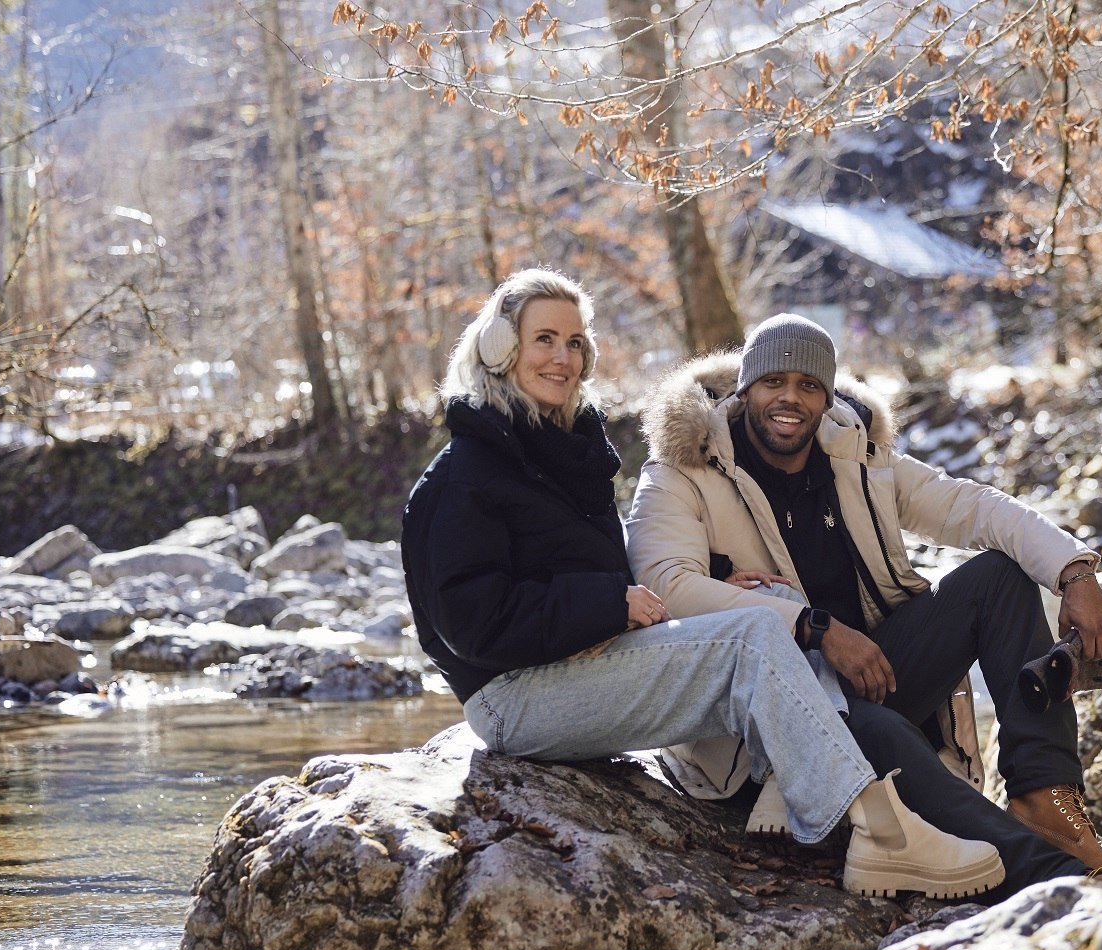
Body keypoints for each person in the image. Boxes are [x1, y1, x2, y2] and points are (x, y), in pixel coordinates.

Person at [399, 270, 1005, 900]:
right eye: (544, 339)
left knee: (772, 603)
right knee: (752, 633)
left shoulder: (560, 452)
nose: (563, 357)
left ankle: (801, 781)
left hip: (577, 663)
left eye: (576, 342)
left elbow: (600, 569)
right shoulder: (463, 476)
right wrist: (606, 604)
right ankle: (882, 836)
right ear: (501, 348)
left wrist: (716, 576)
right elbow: (469, 623)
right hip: (512, 697)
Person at [626, 313, 1102, 909]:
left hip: (869, 673)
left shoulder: (855, 459)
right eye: (774, 381)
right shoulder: (681, 469)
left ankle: (1049, 804)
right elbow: (663, 586)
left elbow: (973, 507)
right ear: (745, 387)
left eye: (809, 386)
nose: (790, 399)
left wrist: (1075, 573)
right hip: (765, 718)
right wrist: (815, 629)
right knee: (882, 733)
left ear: (827, 399)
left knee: (999, 577)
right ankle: (1062, 881)